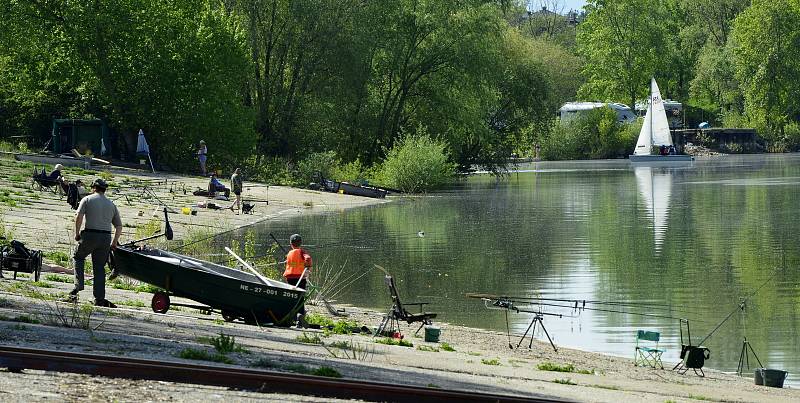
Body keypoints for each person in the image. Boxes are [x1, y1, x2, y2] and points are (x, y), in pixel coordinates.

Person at [69, 178, 122, 307]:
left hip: (90, 235)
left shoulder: (87, 199)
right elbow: (119, 226)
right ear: (104, 189)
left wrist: (77, 234)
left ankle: (78, 287)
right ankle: (99, 298)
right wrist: (114, 242)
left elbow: (79, 217)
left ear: (93, 188)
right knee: (99, 267)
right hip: (105, 238)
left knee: (78, 257)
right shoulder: (111, 204)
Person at [283, 234, 312, 324]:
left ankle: (292, 317)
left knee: (292, 296)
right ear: (300, 243)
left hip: (290, 278)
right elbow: (308, 258)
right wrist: (308, 266)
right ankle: (300, 315)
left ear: (291, 244)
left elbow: (291, 263)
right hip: (300, 277)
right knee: (300, 298)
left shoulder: (289, 253)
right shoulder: (301, 251)